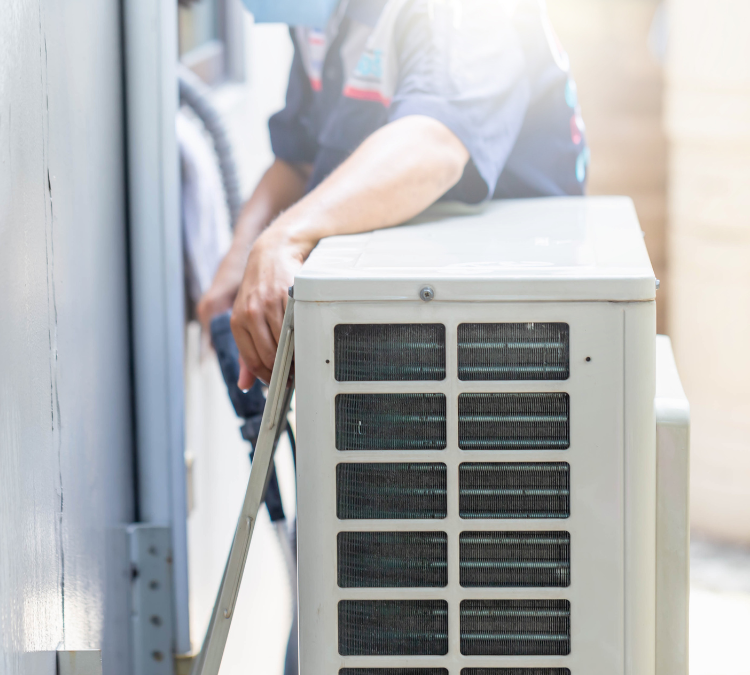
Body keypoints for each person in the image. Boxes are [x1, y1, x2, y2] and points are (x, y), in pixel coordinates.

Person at [197, 0, 589, 389]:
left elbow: (434, 144)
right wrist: (242, 258)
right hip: (400, 318)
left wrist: (284, 238)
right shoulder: (317, 19)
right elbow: (299, 161)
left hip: (508, 327)